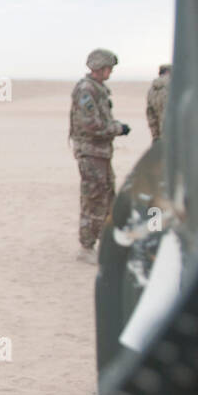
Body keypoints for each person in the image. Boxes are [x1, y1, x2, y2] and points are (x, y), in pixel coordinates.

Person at [69, 48, 129, 263]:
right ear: (99, 67)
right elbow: (91, 124)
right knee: (93, 198)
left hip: (101, 153)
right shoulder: (87, 90)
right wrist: (117, 128)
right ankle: (86, 247)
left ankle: (107, 243)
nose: (110, 73)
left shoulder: (98, 89)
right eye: (108, 68)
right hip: (91, 152)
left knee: (106, 196)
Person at [146, 63, 171, 141]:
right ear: (168, 72)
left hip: (161, 135)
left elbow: (150, 115)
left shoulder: (152, 90)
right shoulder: (173, 86)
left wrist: (155, 136)